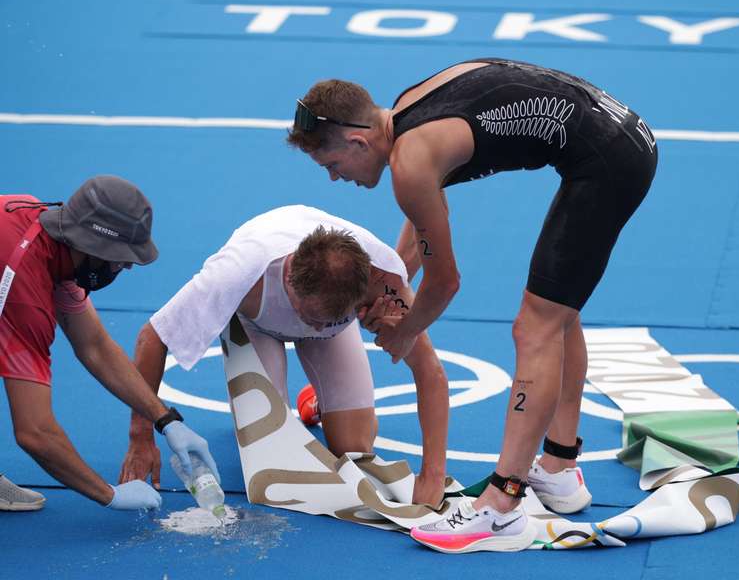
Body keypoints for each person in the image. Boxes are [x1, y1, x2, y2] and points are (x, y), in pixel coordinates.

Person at [288, 58, 658, 552]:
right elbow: (426, 225)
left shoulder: (410, 162)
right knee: (558, 310)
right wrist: (384, 286)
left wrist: (403, 332)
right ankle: (559, 470)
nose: (336, 179)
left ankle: (500, 510)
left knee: (536, 327)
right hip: (621, 135)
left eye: (332, 166)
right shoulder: (405, 111)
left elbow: (446, 282)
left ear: (357, 142)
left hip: (609, 162)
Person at [119, 205, 449, 507]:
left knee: (354, 450)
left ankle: (320, 404)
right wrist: (141, 437)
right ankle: (300, 396)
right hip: (256, 324)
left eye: (332, 317)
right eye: (312, 317)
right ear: (290, 278)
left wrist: (432, 476)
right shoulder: (238, 273)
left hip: (334, 326)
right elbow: (153, 337)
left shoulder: (383, 277)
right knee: (274, 463)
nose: (318, 326)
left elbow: (429, 371)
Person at [1, 176, 219, 512]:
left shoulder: (52, 242)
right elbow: (35, 432)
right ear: (91, 247)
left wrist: (166, 420)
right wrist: (108, 494)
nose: (128, 266)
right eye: (120, 258)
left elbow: (96, 347)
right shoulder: (24, 294)